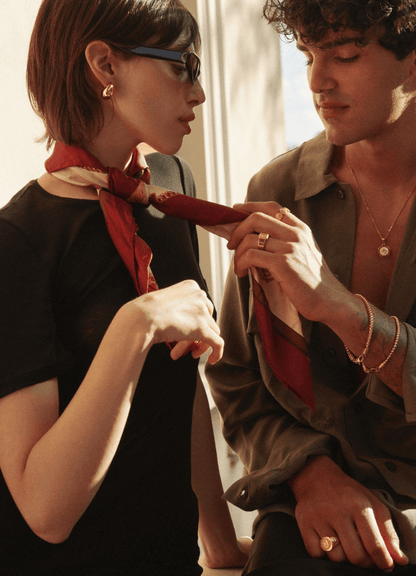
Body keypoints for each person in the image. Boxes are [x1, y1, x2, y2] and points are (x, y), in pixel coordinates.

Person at [204, 1, 416, 574]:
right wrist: (311, 474)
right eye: (309, 54)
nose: (317, 81)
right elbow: (238, 379)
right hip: (311, 512)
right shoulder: (277, 190)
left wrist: (341, 310)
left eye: (344, 54)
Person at [0, 0, 249, 574]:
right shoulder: (19, 242)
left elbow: (179, 384)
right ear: (104, 66)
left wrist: (221, 545)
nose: (199, 93)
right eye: (184, 65)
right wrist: (138, 325)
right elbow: (45, 511)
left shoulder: (168, 187)